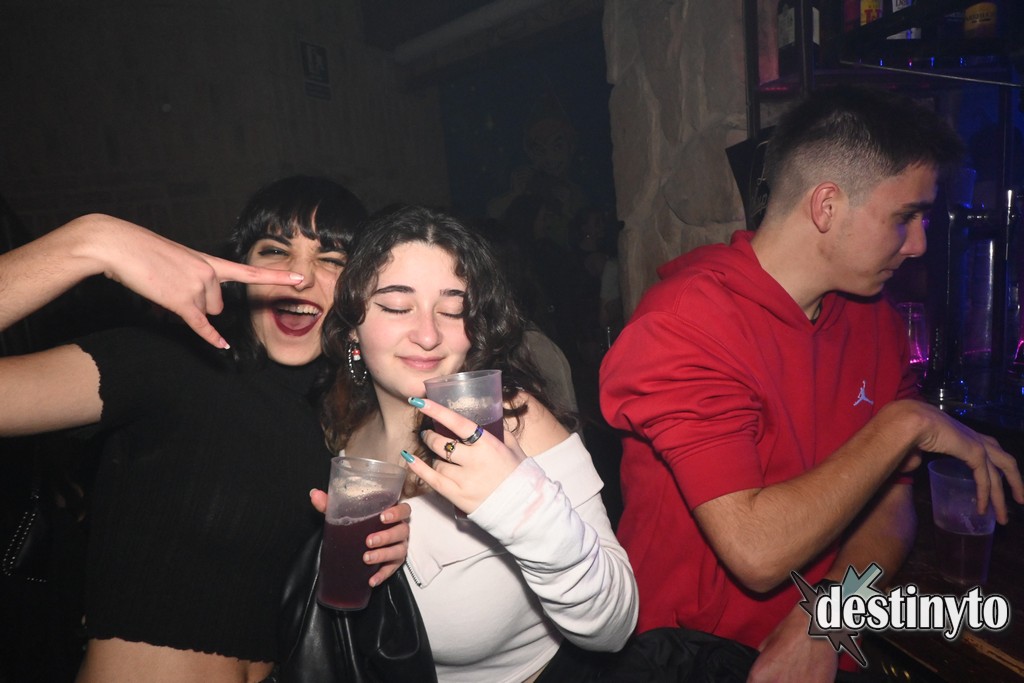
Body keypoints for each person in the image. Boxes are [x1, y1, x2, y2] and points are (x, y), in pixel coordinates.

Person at [599, 86, 1024, 682]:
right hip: (683, 658)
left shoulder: (874, 319)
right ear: (827, 206)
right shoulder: (683, 325)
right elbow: (756, 552)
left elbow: (892, 501)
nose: (920, 244)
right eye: (905, 217)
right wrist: (906, 423)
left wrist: (830, 614)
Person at [0, 177, 411, 682]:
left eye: (330, 259)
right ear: (239, 271)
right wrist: (89, 242)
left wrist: (382, 553)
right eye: (274, 250)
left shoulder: (339, 427)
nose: (299, 277)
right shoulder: (163, 364)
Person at [318, 204, 638, 682]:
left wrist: (519, 504)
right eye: (397, 306)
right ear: (352, 328)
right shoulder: (345, 437)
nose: (429, 334)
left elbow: (615, 625)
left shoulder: (514, 422)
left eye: (454, 310)